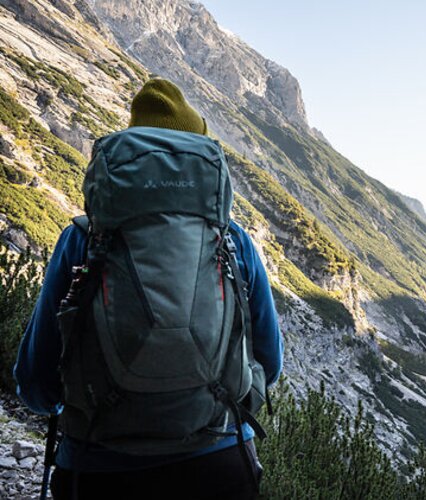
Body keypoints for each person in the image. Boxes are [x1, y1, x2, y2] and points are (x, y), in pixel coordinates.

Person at [13, 78, 283, 500]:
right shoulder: (234, 242)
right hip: (218, 465)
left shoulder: (82, 239)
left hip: (98, 469)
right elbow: (270, 360)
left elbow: (36, 382)